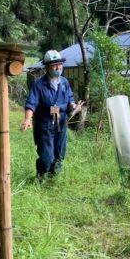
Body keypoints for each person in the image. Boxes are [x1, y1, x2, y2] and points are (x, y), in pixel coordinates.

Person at [20, 50, 78, 180]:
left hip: (61, 123)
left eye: (60, 65)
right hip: (45, 124)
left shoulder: (64, 82)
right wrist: (28, 119)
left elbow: (70, 98)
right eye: (54, 65)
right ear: (47, 67)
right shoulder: (39, 84)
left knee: (59, 154)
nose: (58, 68)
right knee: (47, 156)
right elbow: (31, 103)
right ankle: (40, 177)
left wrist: (73, 106)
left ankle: (54, 179)